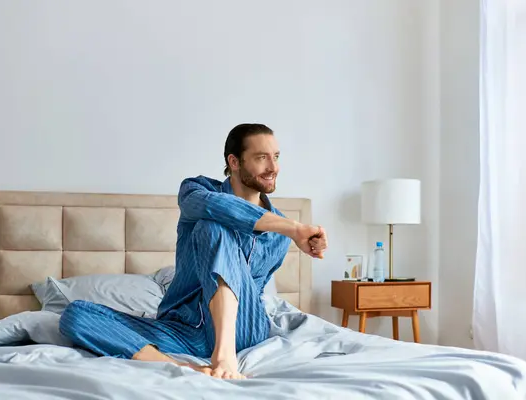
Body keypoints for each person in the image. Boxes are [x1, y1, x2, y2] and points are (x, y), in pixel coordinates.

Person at [59, 123, 328, 380]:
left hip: (242, 331)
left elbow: (253, 291)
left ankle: (224, 355)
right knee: (76, 314)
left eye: (276, 157)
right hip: (182, 331)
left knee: (213, 227)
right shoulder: (195, 190)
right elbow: (214, 206)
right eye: (261, 158)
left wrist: (289, 230)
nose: (273, 168)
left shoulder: (280, 235)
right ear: (234, 162)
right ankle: (180, 367)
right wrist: (293, 227)